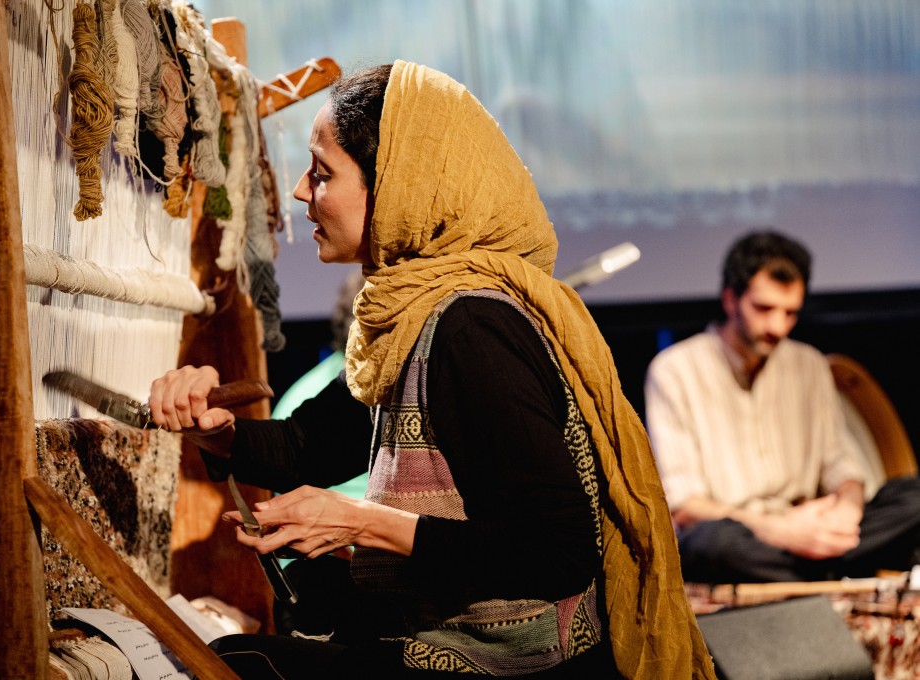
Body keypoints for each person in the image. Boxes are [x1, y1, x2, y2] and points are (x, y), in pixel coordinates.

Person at [150, 61, 712, 679]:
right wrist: (214, 429)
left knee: (234, 664)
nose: (302, 193)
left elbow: (558, 551)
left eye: (322, 173)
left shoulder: (470, 327)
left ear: (398, 187)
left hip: (515, 667)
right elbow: (307, 445)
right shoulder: (411, 313)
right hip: (458, 643)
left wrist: (364, 522)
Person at [644, 230, 920, 584]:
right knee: (709, 543)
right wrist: (779, 529)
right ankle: (835, 570)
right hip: (746, 535)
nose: (777, 326)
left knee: (912, 498)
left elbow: (842, 466)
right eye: (764, 309)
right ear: (730, 299)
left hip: (812, 528)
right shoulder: (675, 370)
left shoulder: (809, 365)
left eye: (790, 313)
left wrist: (846, 513)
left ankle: (820, 566)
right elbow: (683, 504)